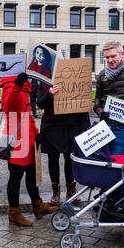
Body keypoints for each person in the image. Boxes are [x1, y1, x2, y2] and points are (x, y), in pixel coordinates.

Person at [1, 73, 58, 226]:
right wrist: (17, 86)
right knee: (16, 176)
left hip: (28, 136)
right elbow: (7, 108)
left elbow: (27, 111)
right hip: (17, 139)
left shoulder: (27, 86)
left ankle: (38, 206)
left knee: (32, 173)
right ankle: (14, 213)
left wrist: (36, 133)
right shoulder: (9, 85)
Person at [36, 77, 90, 205]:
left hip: (71, 126)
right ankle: (56, 191)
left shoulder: (77, 81)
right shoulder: (43, 83)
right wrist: (49, 93)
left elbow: (82, 104)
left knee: (70, 158)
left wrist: (84, 128)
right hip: (52, 126)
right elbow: (40, 104)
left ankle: (71, 190)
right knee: (53, 158)